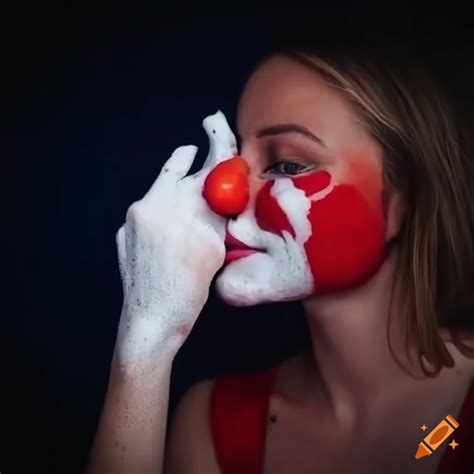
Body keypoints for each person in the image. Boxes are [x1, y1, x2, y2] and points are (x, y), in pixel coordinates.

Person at [86, 30, 474, 474]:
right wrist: (146, 348)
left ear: (402, 201)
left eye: (287, 164)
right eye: (237, 157)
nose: (223, 192)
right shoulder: (212, 423)